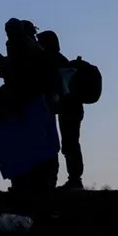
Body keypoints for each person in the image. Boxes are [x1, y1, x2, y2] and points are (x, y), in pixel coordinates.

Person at [38, 30, 84, 190]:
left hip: (68, 107)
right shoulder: (60, 59)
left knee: (70, 143)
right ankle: (75, 179)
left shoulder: (52, 59)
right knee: (70, 142)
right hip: (71, 107)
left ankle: (75, 179)